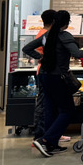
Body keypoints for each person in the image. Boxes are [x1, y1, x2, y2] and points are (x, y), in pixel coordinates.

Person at [22, 10, 83, 157]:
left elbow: (26, 48)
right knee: (67, 110)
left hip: (45, 76)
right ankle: (46, 140)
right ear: (67, 22)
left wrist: (40, 57)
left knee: (50, 110)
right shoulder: (65, 36)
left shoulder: (47, 35)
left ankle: (51, 144)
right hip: (58, 77)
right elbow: (77, 53)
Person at [32, 9, 55, 142]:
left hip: (45, 70)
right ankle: (40, 135)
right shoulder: (46, 34)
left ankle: (50, 133)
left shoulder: (43, 33)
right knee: (43, 104)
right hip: (46, 72)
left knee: (48, 103)